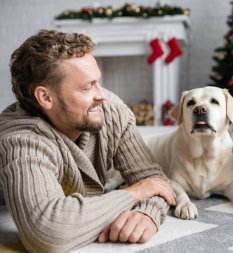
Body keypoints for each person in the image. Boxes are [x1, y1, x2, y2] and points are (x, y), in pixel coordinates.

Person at [0, 29, 177, 253]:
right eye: (87, 87)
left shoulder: (109, 110)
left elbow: (154, 181)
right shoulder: (22, 141)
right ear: (45, 97)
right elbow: (49, 232)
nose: (101, 95)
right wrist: (133, 193)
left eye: (98, 82)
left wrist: (147, 213)